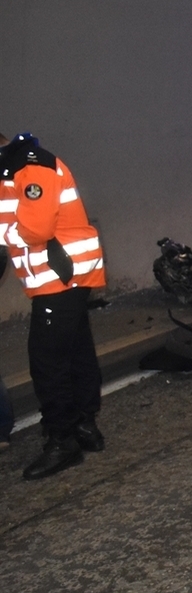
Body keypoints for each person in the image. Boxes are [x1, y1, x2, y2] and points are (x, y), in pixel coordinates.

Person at [0, 132, 107, 480]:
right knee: (75, 350)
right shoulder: (13, 168)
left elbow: (36, 228)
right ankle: (85, 426)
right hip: (61, 277)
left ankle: (62, 441)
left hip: (59, 276)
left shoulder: (30, 166)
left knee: (47, 360)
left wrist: (4, 236)